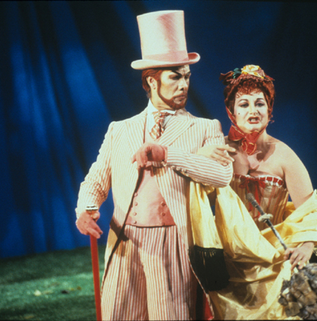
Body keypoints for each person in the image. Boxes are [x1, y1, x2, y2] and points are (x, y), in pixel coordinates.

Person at [74, 10, 233, 320]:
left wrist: (167, 154)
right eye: (175, 76)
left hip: (173, 241)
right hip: (125, 240)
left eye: (187, 76)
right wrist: (86, 209)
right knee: (118, 315)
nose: (184, 84)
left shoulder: (204, 128)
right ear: (151, 80)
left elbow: (222, 174)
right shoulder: (120, 129)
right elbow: (97, 178)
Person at [197, 65, 317, 319]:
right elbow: (196, 194)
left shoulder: (284, 155)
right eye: (244, 104)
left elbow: (312, 209)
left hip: (276, 253)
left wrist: (307, 243)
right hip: (231, 258)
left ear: (269, 110)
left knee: (306, 273)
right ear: (231, 112)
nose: (253, 110)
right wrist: (201, 156)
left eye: (259, 103)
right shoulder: (220, 151)